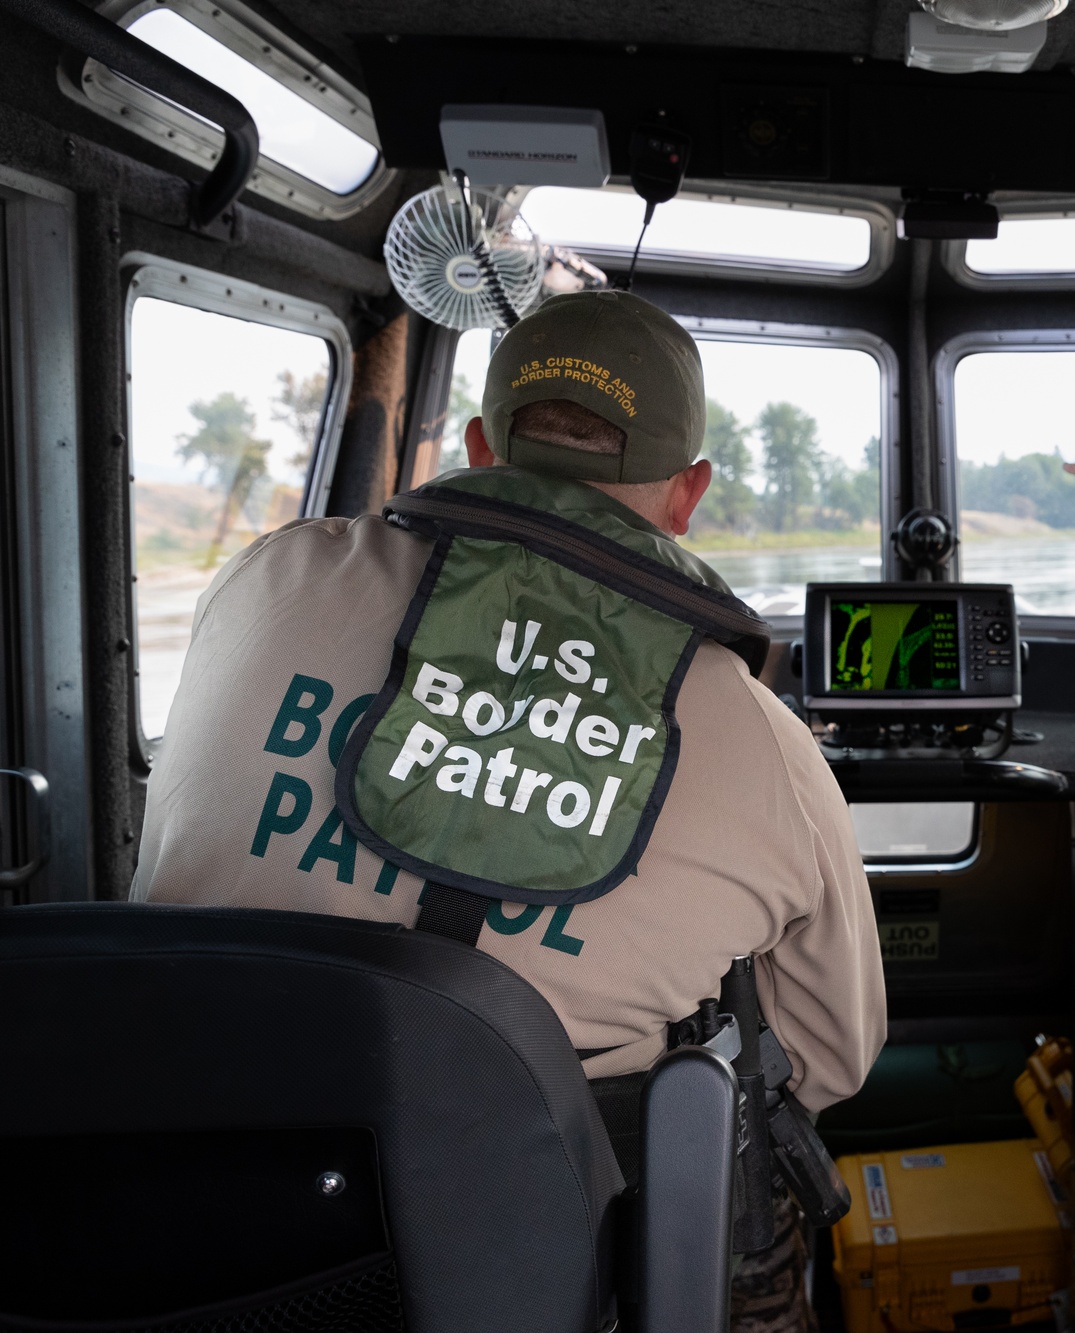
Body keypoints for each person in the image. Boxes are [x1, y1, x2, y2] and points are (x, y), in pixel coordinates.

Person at [133, 290, 885, 1331]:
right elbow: (829, 1056)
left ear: (484, 444)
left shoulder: (271, 579)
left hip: (188, 1218)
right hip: (544, 1252)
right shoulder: (761, 740)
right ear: (689, 493)